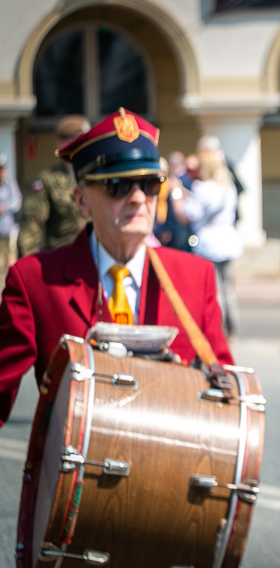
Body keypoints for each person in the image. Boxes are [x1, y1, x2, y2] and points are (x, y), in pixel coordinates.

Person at [0, 108, 233, 426]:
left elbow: (226, 393)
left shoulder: (196, 276)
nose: (139, 198)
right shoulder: (34, 281)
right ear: (81, 201)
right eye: (118, 186)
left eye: (150, 184)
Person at [169, 136, 243, 340]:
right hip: (228, 241)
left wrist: (175, 193)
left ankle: (218, 332)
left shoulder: (204, 188)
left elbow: (184, 215)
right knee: (228, 290)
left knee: (216, 291)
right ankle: (232, 331)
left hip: (210, 244)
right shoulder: (227, 186)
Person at [17, 115, 90, 257]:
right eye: (77, 140)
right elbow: (31, 225)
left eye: (86, 140)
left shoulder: (97, 175)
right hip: (63, 260)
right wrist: (29, 270)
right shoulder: (47, 180)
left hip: (98, 261)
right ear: (61, 143)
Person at [0, 154, 22, 273]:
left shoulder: (11, 184)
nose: (2, 173)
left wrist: (5, 207)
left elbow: (17, 202)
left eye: (3, 170)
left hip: (10, 228)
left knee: (11, 258)